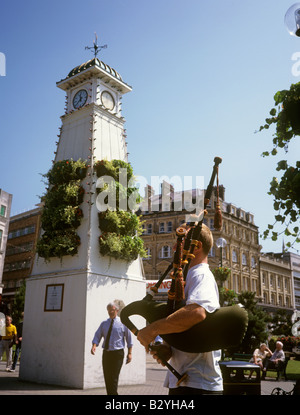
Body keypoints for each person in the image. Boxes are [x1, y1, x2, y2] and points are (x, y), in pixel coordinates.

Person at [137, 223, 223, 395]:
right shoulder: (189, 275)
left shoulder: (201, 274)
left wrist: (153, 329)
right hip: (185, 382)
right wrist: (168, 348)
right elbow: (186, 327)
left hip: (199, 384)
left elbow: (196, 313)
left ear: (196, 246)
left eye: (180, 241)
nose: (175, 247)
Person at [91, 302, 133, 395]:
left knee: (114, 377)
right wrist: (94, 345)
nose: (110, 312)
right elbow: (97, 335)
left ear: (117, 311)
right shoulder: (104, 324)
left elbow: (129, 339)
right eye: (109, 310)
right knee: (107, 376)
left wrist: (129, 353)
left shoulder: (123, 323)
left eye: (112, 310)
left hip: (117, 354)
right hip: (107, 353)